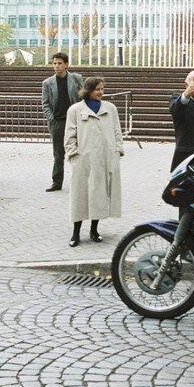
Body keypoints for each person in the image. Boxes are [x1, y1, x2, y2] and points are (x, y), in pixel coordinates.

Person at [64, 77, 124, 247]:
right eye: (97, 89)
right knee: (80, 196)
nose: (100, 92)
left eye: (102, 89)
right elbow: (69, 136)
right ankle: (76, 233)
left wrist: (117, 150)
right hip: (83, 161)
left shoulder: (110, 109)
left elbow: (117, 131)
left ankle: (94, 230)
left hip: (104, 160)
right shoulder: (75, 110)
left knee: (99, 195)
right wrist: (74, 154)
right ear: (88, 90)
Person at [42, 52, 83, 192]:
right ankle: (56, 182)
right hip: (58, 122)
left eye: (59, 63)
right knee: (58, 154)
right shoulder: (47, 83)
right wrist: (51, 118)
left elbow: (82, 98)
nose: (56, 66)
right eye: (54, 63)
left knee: (77, 151)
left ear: (66, 64)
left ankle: (79, 181)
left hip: (75, 122)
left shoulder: (76, 79)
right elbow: (45, 103)